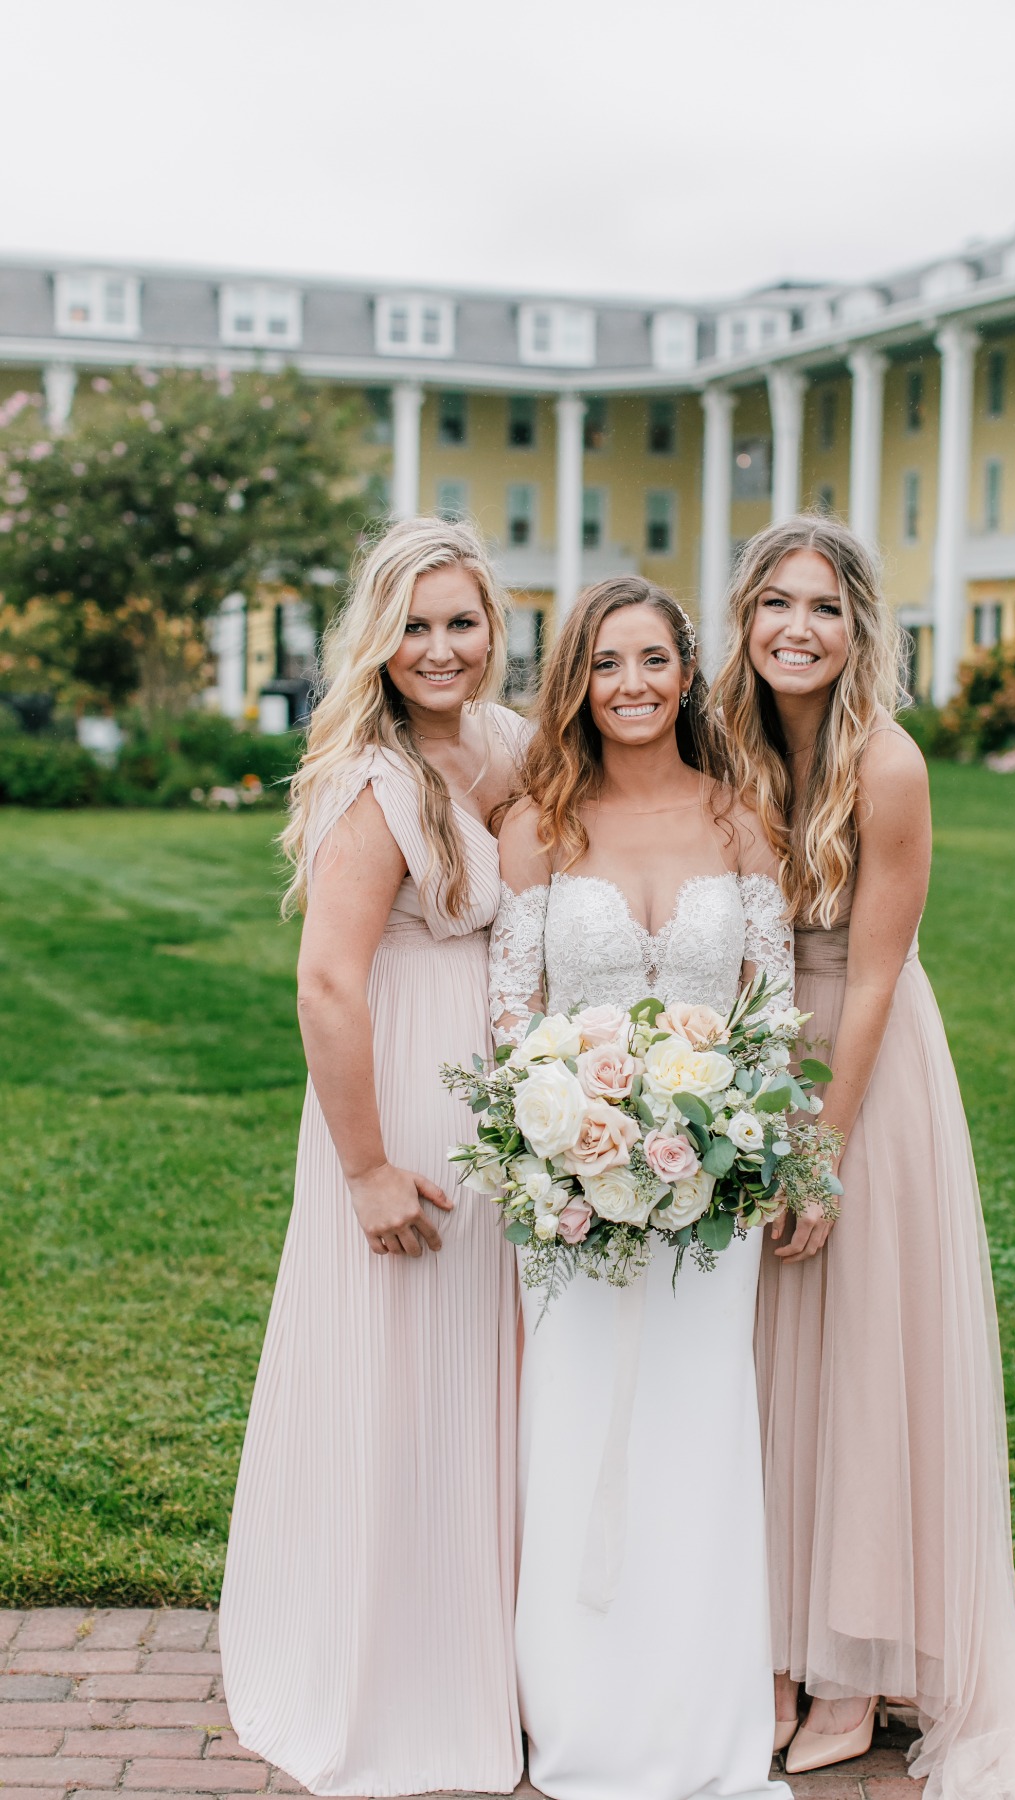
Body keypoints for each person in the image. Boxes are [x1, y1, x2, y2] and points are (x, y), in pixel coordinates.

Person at [712, 514, 1015, 1798]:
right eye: (777, 603)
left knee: (857, 1359)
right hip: (745, 1055)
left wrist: (824, 1146)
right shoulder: (724, 751)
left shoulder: (887, 764)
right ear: (745, 620)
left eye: (827, 607)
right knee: (755, 1364)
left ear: (859, 633)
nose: (800, 627)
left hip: (867, 1063)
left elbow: (882, 966)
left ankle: (853, 1666)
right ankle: (773, 1652)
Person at [220, 517, 527, 1798]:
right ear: (377, 640)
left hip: (499, 1095)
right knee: (402, 1370)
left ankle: (498, 1654)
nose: (440, 649)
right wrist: (367, 1168)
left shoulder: (508, 745)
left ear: (494, 629)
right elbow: (329, 984)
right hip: (395, 1095)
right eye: (414, 625)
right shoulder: (372, 774)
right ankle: (391, 1664)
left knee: (489, 1378)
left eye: (462, 622)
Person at [489, 576, 792, 1800]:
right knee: (575, 1433)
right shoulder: (539, 826)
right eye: (607, 663)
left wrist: (749, 1143)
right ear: (577, 679)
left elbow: (770, 1017)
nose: (632, 684)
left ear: (688, 674)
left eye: (654, 660)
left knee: (702, 1436)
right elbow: (513, 1021)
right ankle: (583, 1717)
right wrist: (573, 1142)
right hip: (569, 1195)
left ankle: (700, 1720)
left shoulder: (741, 821)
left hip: (715, 1200)